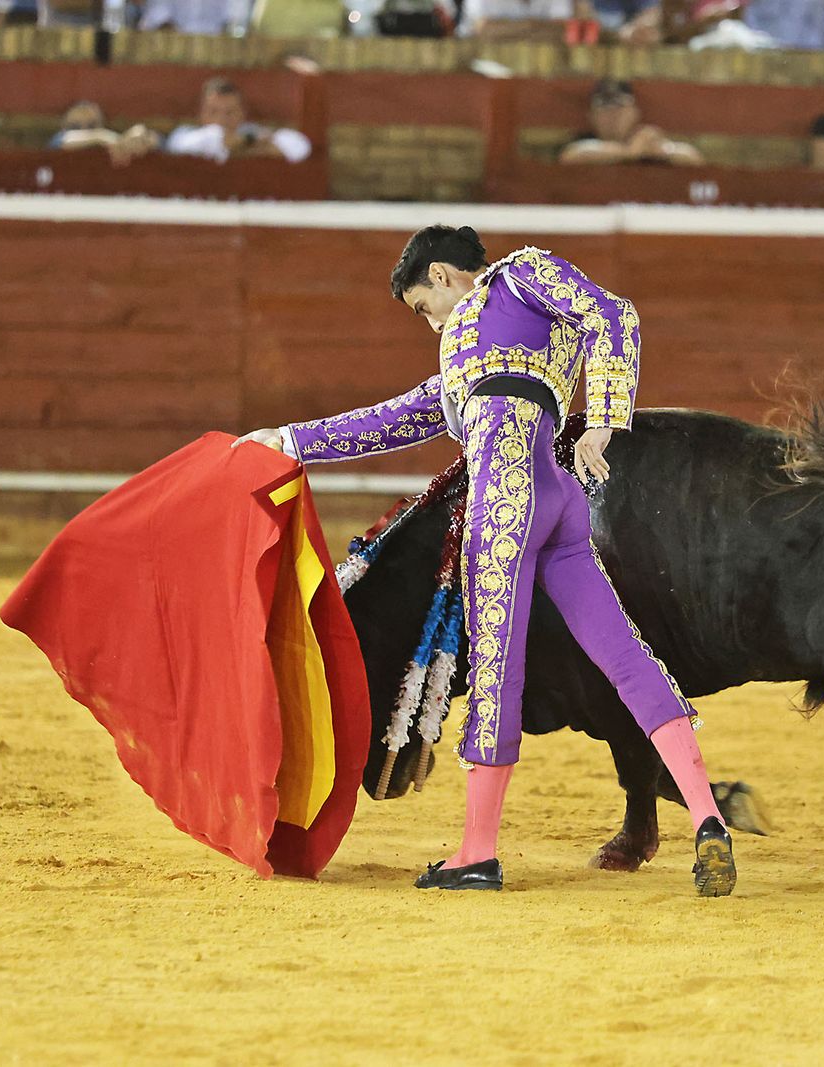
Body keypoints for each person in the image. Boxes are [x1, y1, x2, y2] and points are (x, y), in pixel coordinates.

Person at [232, 225, 737, 897]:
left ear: (442, 275)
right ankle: (708, 820)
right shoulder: (482, 344)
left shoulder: (517, 275)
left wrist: (607, 420)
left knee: (496, 669)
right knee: (626, 654)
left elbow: (614, 311)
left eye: (422, 306)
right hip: (560, 497)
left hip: (505, 493)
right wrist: (289, 439)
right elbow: (391, 419)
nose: (429, 321)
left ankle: (477, 851)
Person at [165, 77, 313, 164]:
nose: (221, 119)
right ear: (201, 113)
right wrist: (250, 143)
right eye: (213, 112)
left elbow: (300, 147)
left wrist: (239, 145)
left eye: (229, 112)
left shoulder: (254, 131)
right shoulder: (184, 134)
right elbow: (208, 139)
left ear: (242, 114)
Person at [558, 80, 705, 167]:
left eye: (620, 106)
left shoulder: (647, 143)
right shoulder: (583, 142)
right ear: (591, 116)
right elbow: (571, 156)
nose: (612, 114)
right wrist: (630, 152)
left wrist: (662, 150)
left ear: (635, 113)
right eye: (604, 107)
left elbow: (693, 158)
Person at [48, 101, 161, 167]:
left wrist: (144, 138)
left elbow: (161, 143)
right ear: (63, 128)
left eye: (91, 126)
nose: (84, 131)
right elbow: (58, 142)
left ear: (103, 125)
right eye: (75, 128)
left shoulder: (112, 142)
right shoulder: (58, 141)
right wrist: (99, 136)